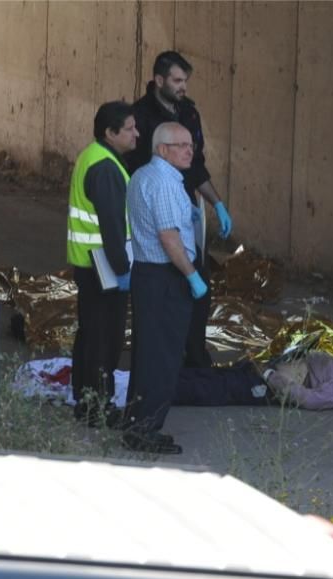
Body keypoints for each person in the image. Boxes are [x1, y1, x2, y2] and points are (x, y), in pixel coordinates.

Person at [128, 50, 233, 370]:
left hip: (185, 204)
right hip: (156, 202)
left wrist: (217, 203)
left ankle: (194, 351)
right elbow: (138, 168)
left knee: (197, 281)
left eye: (185, 80)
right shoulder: (141, 116)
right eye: (177, 80)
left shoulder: (188, 113)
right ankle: (162, 356)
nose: (183, 86)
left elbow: (195, 164)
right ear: (159, 80)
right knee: (171, 279)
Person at [123, 122, 208, 453]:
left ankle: (136, 423)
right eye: (182, 145)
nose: (190, 150)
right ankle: (145, 430)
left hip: (150, 275)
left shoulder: (147, 176)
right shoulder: (163, 183)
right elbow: (169, 238)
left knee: (148, 353)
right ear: (162, 149)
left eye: (190, 144)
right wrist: (191, 275)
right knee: (163, 357)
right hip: (166, 277)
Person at [66, 101, 138, 427]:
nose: (137, 134)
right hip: (102, 264)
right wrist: (123, 268)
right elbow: (112, 225)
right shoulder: (106, 168)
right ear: (110, 133)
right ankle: (97, 405)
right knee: (103, 339)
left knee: (91, 333)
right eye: (130, 129)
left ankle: (85, 399)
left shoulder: (94, 156)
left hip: (91, 262)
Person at [172, 354, 333, 411]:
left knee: (212, 387)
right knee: (214, 379)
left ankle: (152, 390)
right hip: (282, 374)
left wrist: (268, 375)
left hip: (274, 383)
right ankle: (155, 384)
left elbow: (309, 399)